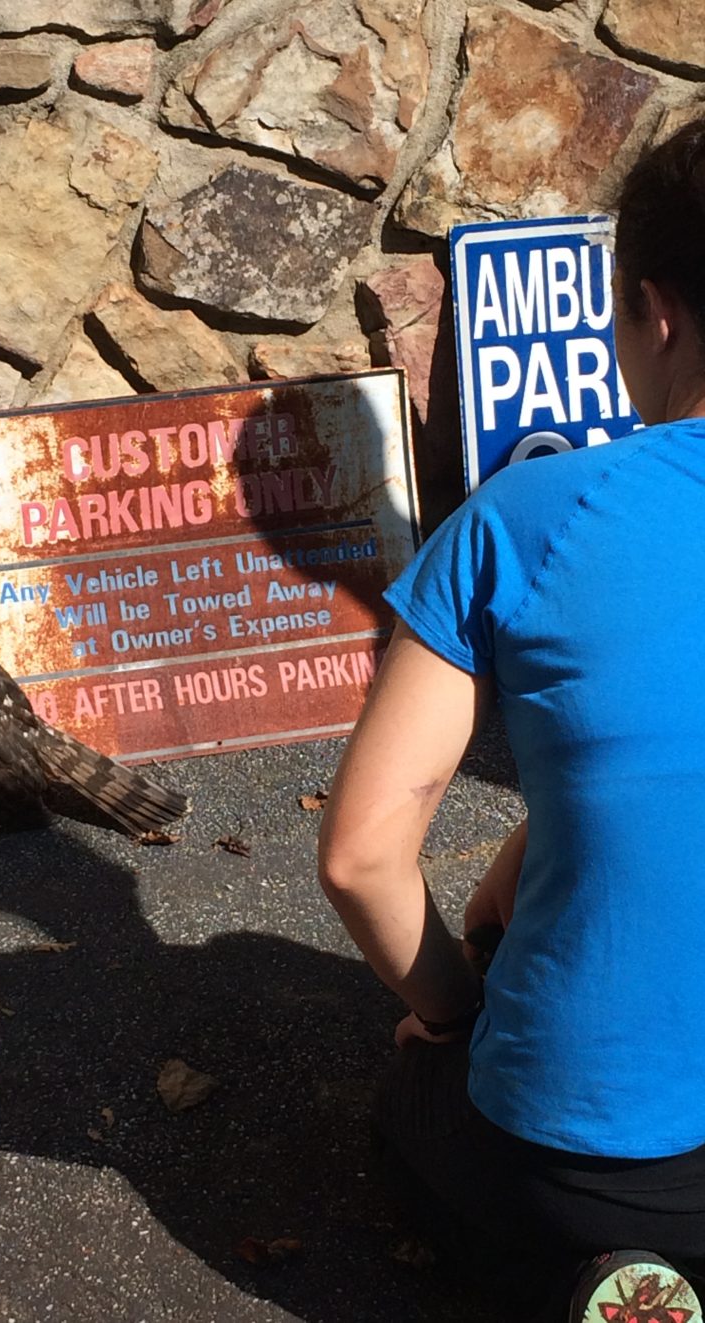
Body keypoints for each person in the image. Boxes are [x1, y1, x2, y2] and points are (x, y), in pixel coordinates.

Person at [318, 117, 705, 1323]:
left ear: (653, 311)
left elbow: (362, 856)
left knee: (418, 1101)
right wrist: (521, 860)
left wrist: (448, 1007)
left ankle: (606, 1287)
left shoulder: (529, 517)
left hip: (611, 1170)